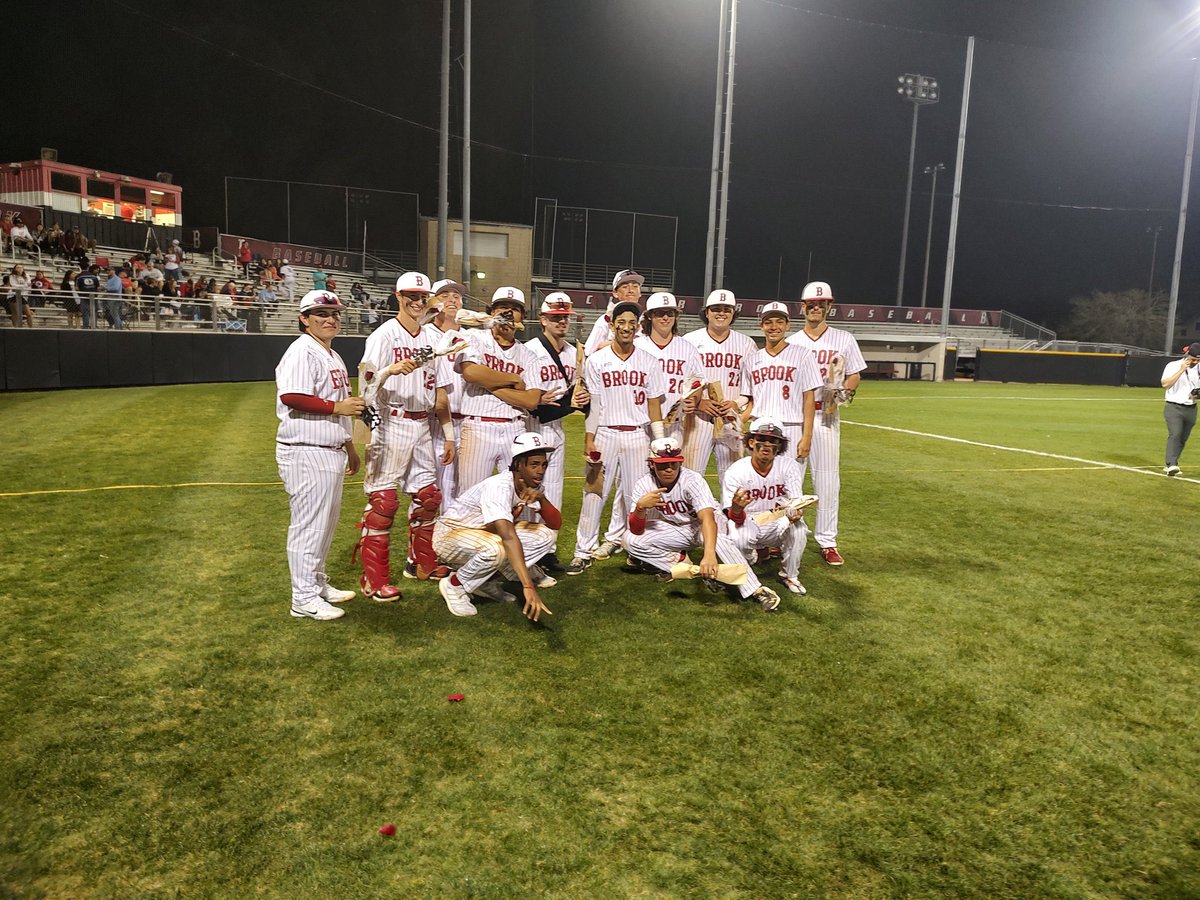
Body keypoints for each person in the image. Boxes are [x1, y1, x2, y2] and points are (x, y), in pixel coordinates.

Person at [355, 271, 455, 600]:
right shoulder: (384, 335)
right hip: (392, 419)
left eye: (422, 296)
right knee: (383, 502)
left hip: (422, 422)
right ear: (398, 297)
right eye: (410, 295)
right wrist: (388, 371)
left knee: (428, 497)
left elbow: (439, 386)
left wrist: (449, 432)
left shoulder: (429, 336)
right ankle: (373, 580)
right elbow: (365, 384)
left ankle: (424, 564)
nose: (417, 301)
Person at [275, 289, 365, 620]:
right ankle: (303, 598)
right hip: (305, 450)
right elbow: (292, 396)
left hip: (329, 448)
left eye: (334, 315)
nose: (330, 319)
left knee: (325, 525)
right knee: (309, 526)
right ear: (304, 319)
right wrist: (337, 407)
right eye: (321, 314)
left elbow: (343, 405)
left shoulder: (331, 354)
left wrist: (348, 443)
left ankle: (316, 583)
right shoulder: (301, 351)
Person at [568, 300, 667, 575]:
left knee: (636, 496)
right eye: (621, 322)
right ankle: (582, 551)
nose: (626, 327)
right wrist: (590, 437)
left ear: (638, 328)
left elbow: (654, 405)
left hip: (638, 435)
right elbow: (595, 404)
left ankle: (632, 547)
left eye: (631, 323)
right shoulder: (597, 360)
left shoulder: (649, 361)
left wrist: (658, 441)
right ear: (611, 326)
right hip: (606, 434)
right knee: (594, 493)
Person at [625, 437, 781, 610]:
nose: (669, 469)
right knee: (630, 539)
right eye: (663, 464)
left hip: (710, 524)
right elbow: (636, 529)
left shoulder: (692, 480)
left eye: (674, 464)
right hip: (680, 528)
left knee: (718, 542)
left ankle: (757, 590)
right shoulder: (644, 484)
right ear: (652, 464)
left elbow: (707, 518)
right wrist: (640, 508)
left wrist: (708, 555)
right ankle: (685, 564)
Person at [433, 432, 559, 621]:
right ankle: (454, 584)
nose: (540, 470)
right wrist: (527, 586)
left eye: (543, 465)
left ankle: (485, 582)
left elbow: (555, 524)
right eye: (534, 464)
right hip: (449, 535)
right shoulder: (499, 486)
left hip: (481, 533)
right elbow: (508, 536)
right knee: (496, 548)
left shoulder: (530, 485)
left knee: (545, 536)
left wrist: (541, 498)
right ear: (518, 464)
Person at [786, 281, 865, 566]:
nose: (816, 307)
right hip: (797, 416)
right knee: (791, 479)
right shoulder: (792, 341)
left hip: (828, 415)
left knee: (827, 480)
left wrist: (846, 389)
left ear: (829, 306)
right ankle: (784, 534)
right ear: (802, 307)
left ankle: (827, 540)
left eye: (822, 304)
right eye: (811, 304)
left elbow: (854, 373)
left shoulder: (843, 338)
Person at [524, 291, 590, 572]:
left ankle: (548, 551)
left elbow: (573, 394)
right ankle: (527, 549)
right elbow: (536, 406)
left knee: (553, 491)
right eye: (555, 317)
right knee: (528, 492)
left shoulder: (575, 352)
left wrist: (581, 399)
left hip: (557, 429)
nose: (561, 321)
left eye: (565, 317)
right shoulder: (529, 350)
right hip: (531, 429)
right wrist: (570, 404)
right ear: (542, 319)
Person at [454, 286, 545, 488]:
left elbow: (531, 400)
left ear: (521, 316)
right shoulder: (474, 338)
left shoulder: (529, 355)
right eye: (502, 307)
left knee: (515, 495)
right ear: (491, 313)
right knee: (471, 495)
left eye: (515, 308)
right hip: (478, 427)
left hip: (515, 429)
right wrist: (513, 379)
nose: (508, 312)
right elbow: (471, 373)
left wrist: (488, 382)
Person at [722, 417, 812, 596]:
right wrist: (737, 509)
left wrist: (796, 513)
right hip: (748, 521)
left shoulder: (789, 466)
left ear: (779, 446)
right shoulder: (736, 471)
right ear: (751, 442)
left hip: (777, 519)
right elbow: (731, 515)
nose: (766, 445)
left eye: (773, 441)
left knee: (799, 529)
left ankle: (790, 576)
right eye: (761, 439)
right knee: (736, 537)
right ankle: (752, 556)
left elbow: (795, 501)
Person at [683, 289, 759, 482]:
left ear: (733, 313)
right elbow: (679, 381)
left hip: (730, 417)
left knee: (733, 480)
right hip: (697, 419)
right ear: (706, 312)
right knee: (690, 477)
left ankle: (731, 513)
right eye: (716, 308)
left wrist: (736, 403)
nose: (721, 313)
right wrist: (699, 403)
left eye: (727, 309)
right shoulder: (690, 341)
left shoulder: (746, 344)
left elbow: (751, 386)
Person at [738, 301, 822, 465]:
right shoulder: (752, 360)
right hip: (759, 429)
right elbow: (751, 401)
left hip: (791, 428)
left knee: (791, 486)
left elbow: (809, 399)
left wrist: (807, 437)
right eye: (768, 322)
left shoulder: (803, 355)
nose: (773, 327)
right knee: (759, 486)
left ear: (788, 325)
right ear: (761, 326)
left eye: (779, 322)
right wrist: (739, 422)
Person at [635, 291, 704, 446]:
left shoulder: (688, 348)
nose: (666, 318)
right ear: (649, 316)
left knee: (670, 469)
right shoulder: (637, 346)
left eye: (670, 313)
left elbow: (697, 381)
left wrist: (694, 399)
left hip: (674, 423)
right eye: (660, 313)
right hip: (640, 424)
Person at [425, 279, 469, 502]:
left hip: (469, 424)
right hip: (435, 425)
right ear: (433, 302)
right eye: (444, 295)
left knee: (464, 493)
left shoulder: (472, 337)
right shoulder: (424, 334)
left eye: (457, 296)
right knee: (434, 494)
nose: (452, 299)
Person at [1160, 342, 1200, 476]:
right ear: (1187, 355)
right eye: (1193, 359)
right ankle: (1171, 464)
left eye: (1198, 360)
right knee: (1175, 434)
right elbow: (1165, 384)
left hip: (1192, 407)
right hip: (1174, 406)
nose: (1195, 362)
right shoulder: (1173, 366)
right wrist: (1181, 370)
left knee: (1183, 438)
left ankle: (1173, 463)